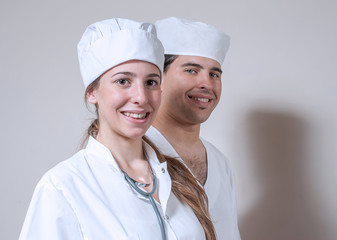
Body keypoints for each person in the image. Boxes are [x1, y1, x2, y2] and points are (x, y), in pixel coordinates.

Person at [19, 18, 216, 240]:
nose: (141, 98)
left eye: (151, 82)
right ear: (92, 92)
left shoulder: (179, 177)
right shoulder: (62, 187)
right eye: (123, 81)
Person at [146, 17, 241, 239]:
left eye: (214, 74)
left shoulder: (220, 162)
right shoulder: (133, 154)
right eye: (191, 70)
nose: (206, 84)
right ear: (157, 78)